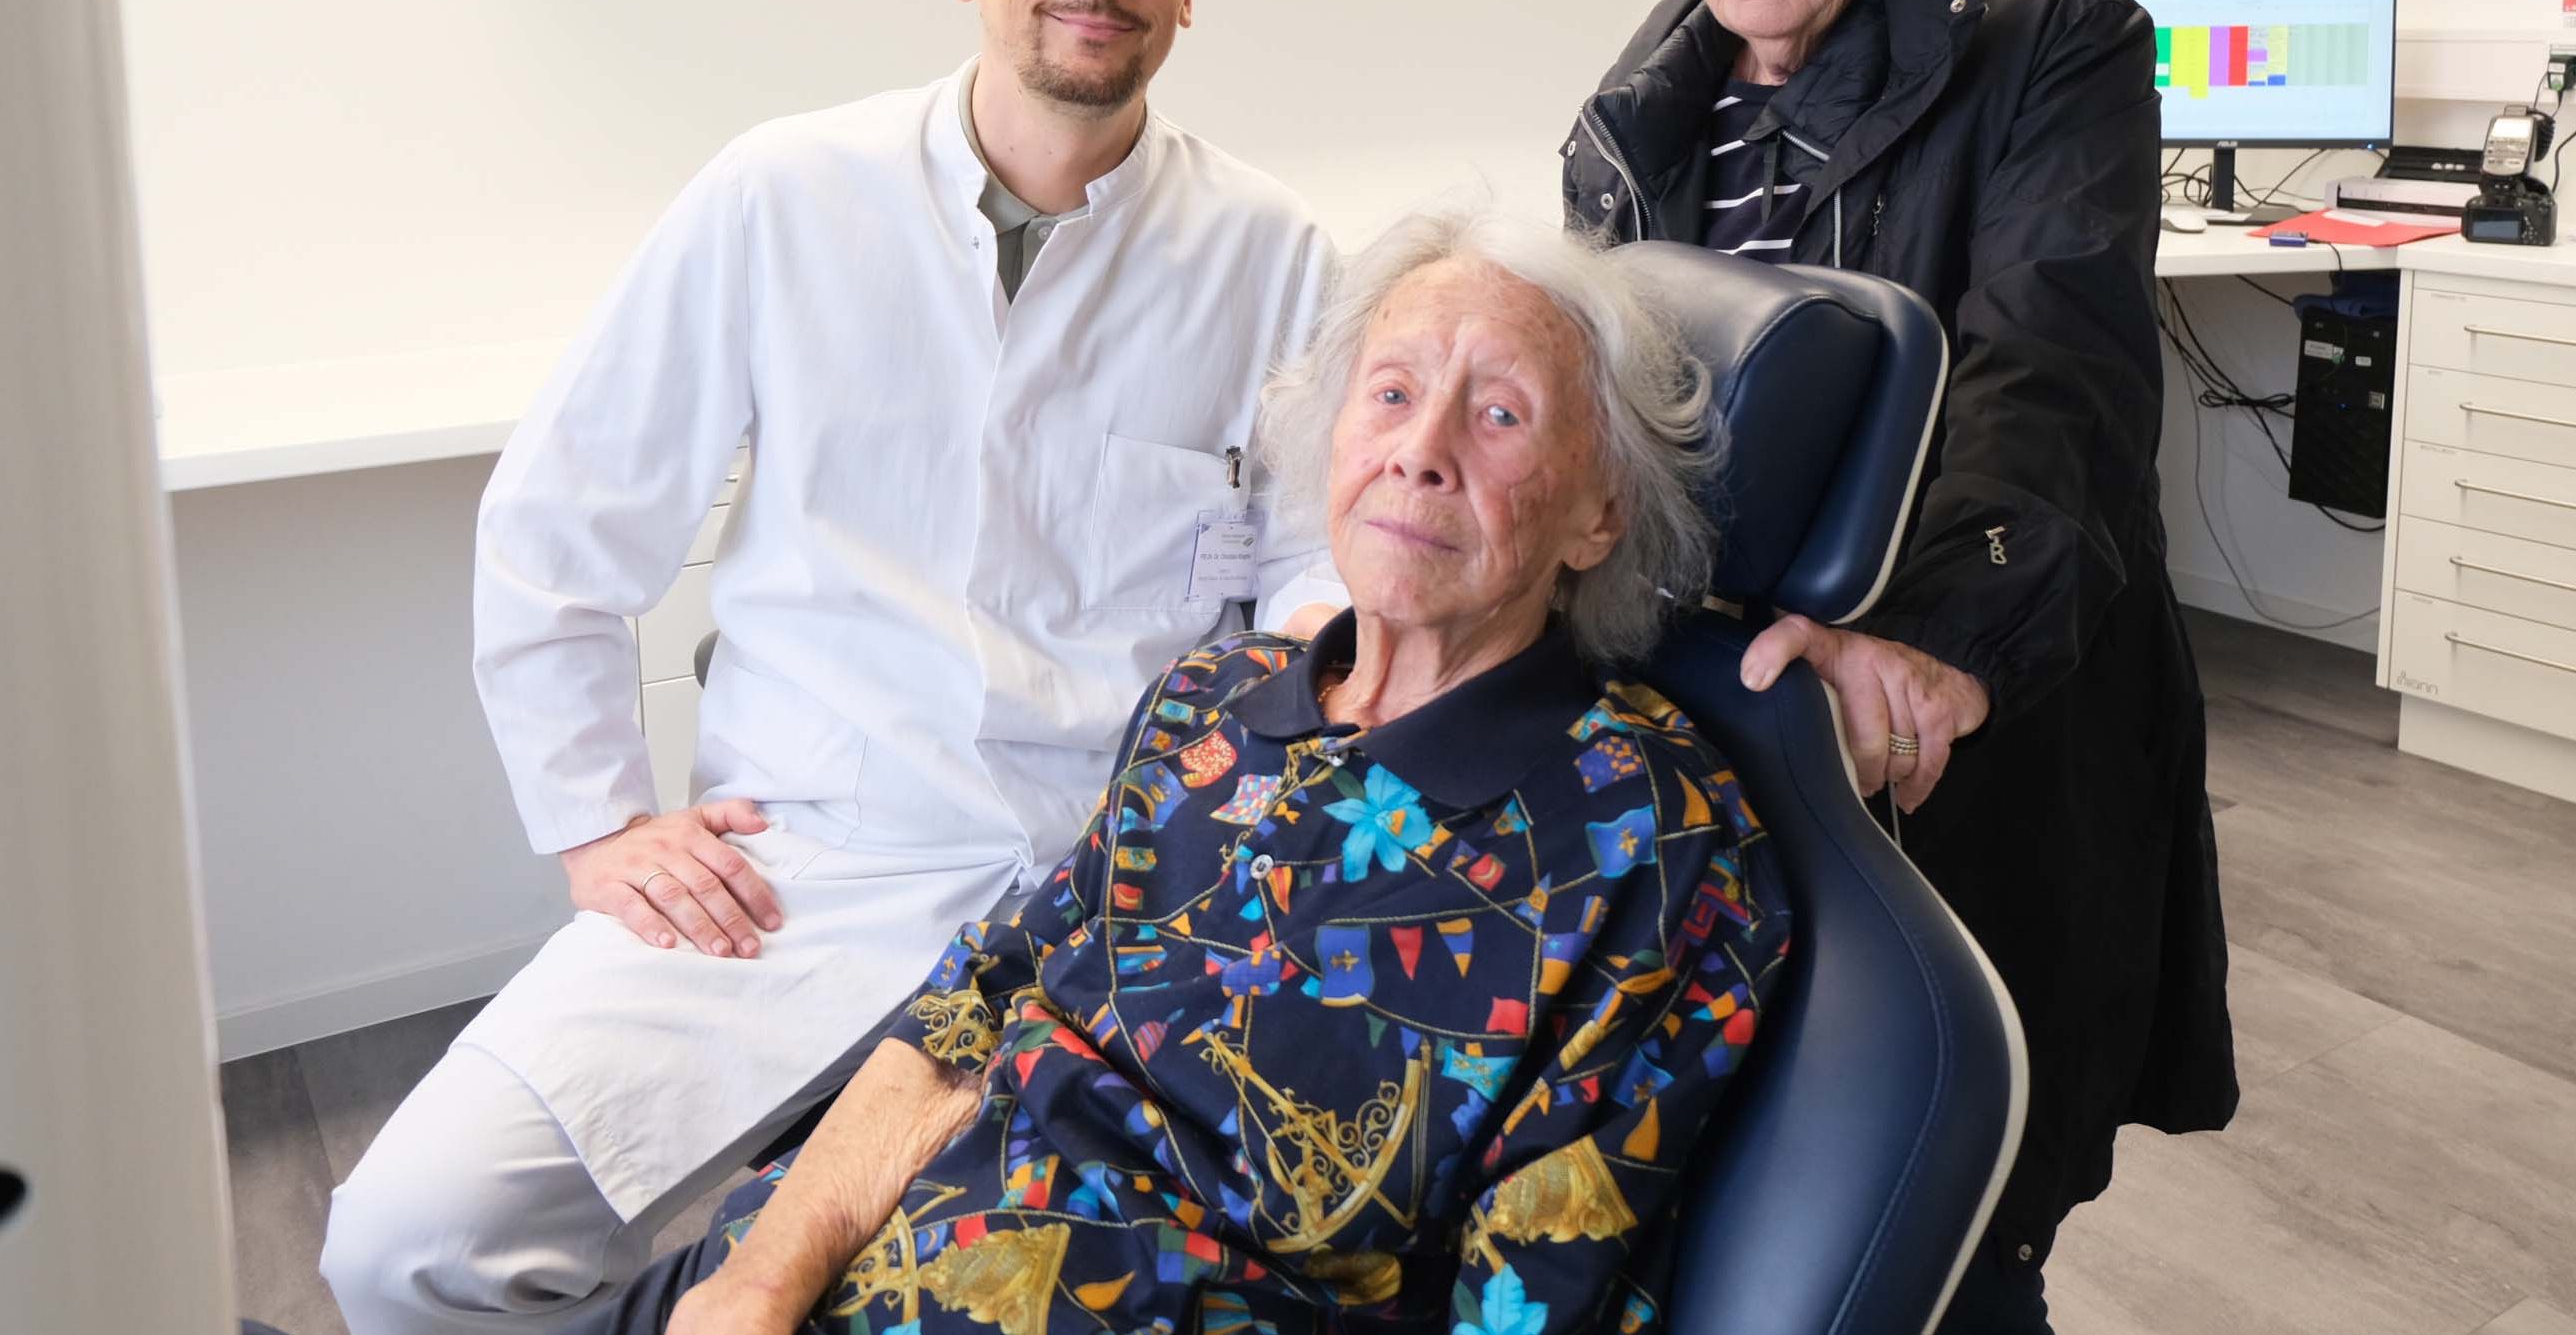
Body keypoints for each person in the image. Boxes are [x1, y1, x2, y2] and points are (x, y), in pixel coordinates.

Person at [320, 0, 1337, 1335]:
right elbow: (563, 518)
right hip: (812, 859)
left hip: (1109, 897)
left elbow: (1313, 576)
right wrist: (597, 823)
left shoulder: (1273, 250)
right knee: (405, 1243)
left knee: (985, 1295)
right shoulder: (784, 193)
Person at [571, 206, 1789, 1335]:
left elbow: (1534, 1295)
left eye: (1500, 414)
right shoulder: (1209, 699)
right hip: (830, 1244)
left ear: (1597, 513)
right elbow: (976, 1004)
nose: (1420, 450)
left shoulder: (1652, 841)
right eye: (1393, 392)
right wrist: (760, 1275)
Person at [1560, 0, 2236, 1332]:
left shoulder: (2048, 37)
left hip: (1973, 713)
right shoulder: (1634, 113)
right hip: (1735, 721)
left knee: (1955, 1188)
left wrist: (1931, 635)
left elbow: (2053, 369)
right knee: (1739, 1163)